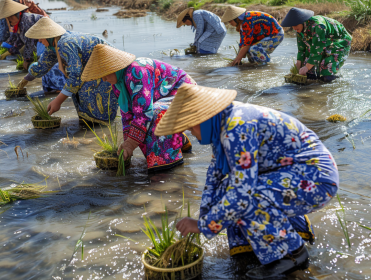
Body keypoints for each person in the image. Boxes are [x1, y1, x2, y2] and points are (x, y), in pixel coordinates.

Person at [155, 83, 339, 279]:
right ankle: (251, 247)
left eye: (190, 125)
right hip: (288, 178)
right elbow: (214, 178)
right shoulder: (222, 126)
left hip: (315, 179)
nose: (190, 131)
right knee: (230, 191)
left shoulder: (236, 126)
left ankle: (293, 254)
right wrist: (203, 219)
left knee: (246, 197)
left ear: (203, 117)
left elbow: (243, 190)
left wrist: (204, 226)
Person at [80, 45, 195, 172]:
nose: (103, 79)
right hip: (163, 98)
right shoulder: (118, 84)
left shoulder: (137, 71)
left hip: (186, 93)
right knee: (138, 128)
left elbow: (144, 113)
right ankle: (176, 141)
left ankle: (167, 166)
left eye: (105, 74)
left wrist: (131, 144)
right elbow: (127, 115)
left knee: (155, 115)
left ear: (114, 68)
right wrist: (127, 144)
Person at [18, 17, 116, 124]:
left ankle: (100, 132)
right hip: (89, 71)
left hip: (105, 68)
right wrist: (26, 78)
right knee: (81, 101)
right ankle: (88, 132)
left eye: (40, 38)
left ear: (48, 36)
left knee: (95, 107)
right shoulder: (53, 45)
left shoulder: (65, 43)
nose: (39, 41)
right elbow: (42, 65)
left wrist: (58, 101)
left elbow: (75, 75)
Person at [281, 7, 352, 83]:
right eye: (292, 26)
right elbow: (302, 50)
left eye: (295, 25)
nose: (294, 28)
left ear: (303, 21)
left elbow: (317, 51)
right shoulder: (299, 30)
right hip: (324, 42)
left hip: (339, 41)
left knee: (326, 73)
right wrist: (298, 68)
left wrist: (306, 67)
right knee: (309, 73)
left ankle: (334, 79)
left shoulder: (318, 26)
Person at [0, 0, 43, 70]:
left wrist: (27, 60)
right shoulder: (20, 22)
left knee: (31, 64)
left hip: (46, 43)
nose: (9, 21)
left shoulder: (27, 20)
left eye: (10, 18)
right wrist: (9, 52)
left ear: (15, 15)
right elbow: (20, 40)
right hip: (39, 44)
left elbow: (29, 42)